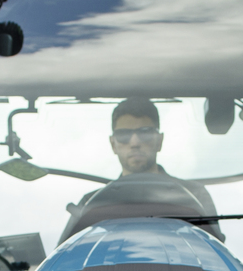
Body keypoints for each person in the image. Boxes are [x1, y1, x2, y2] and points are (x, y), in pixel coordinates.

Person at [60, 97, 221, 240]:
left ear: (159, 141)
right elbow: (63, 258)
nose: (135, 142)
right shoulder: (90, 204)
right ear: (113, 144)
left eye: (145, 133)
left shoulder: (196, 195)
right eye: (124, 135)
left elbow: (215, 253)